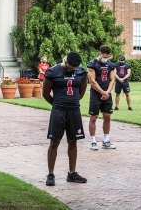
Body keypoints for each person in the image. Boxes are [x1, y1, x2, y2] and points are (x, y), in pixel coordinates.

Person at [43, 52, 88, 186]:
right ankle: (50, 174)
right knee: (54, 142)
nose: (73, 69)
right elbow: (45, 94)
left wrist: (71, 103)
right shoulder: (53, 72)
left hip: (74, 111)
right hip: (58, 111)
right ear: (65, 61)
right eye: (70, 67)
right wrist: (57, 105)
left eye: (75, 68)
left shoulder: (81, 73)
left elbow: (81, 93)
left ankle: (72, 173)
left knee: (73, 142)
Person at [87, 45, 116, 150]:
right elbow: (92, 81)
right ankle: (93, 141)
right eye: (104, 56)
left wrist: (107, 92)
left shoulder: (111, 65)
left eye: (107, 57)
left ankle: (106, 140)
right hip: (96, 93)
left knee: (107, 116)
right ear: (99, 54)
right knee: (94, 117)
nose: (105, 59)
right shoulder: (92, 64)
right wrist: (102, 92)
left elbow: (112, 79)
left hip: (107, 93)